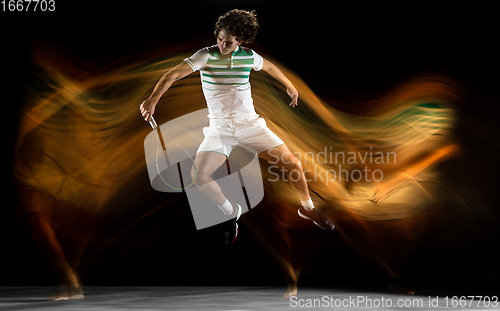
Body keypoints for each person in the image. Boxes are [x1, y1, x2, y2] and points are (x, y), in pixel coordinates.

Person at [140, 9, 335, 244]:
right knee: (199, 176)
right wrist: (152, 100)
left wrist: (289, 85)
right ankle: (230, 212)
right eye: (219, 38)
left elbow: (270, 67)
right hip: (220, 129)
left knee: (292, 163)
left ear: (240, 41)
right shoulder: (205, 56)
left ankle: (307, 208)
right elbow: (172, 74)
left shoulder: (249, 56)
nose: (222, 44)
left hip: (250, 124)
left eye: (228, 41)